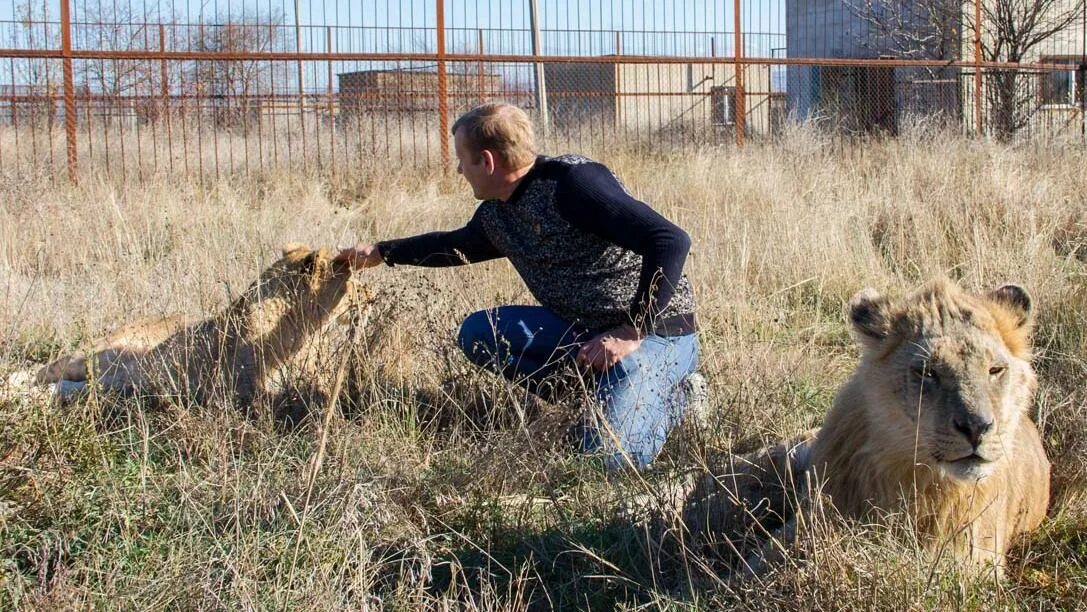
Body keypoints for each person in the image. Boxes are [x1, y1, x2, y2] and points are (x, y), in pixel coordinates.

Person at [337, 102, 701, 470]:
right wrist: (383, 252)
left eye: (463, 160)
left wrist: (631, 329)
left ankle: (679, 399)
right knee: (479, 333)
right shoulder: (499, 213)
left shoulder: (575, 185)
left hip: (658, 335)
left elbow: (670, 240)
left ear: (488, 161)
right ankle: (597, 400)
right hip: (584, 335)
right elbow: (455, 246)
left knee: (606, 460)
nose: (459, 169)